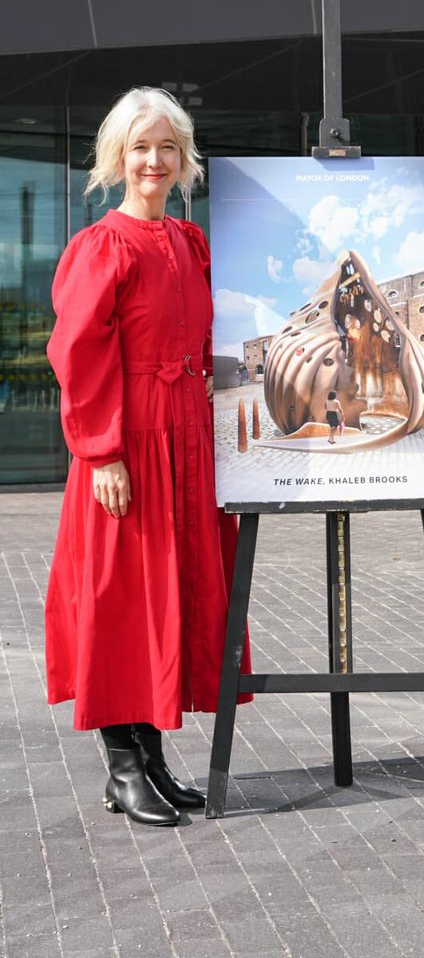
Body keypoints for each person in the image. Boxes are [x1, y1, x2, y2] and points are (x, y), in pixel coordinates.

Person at [46, 87, 249, 827]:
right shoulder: (101, 246)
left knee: (168, 592)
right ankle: (123, 767)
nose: (154, 161)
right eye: (140, 148)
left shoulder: (189, 243)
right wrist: (102, 453)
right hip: (127, 442)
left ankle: (153, 759)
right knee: (123, 600)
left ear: (183, 157)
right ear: (116, 158)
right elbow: (77, 353)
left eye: (167, 147)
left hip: (184, 438)